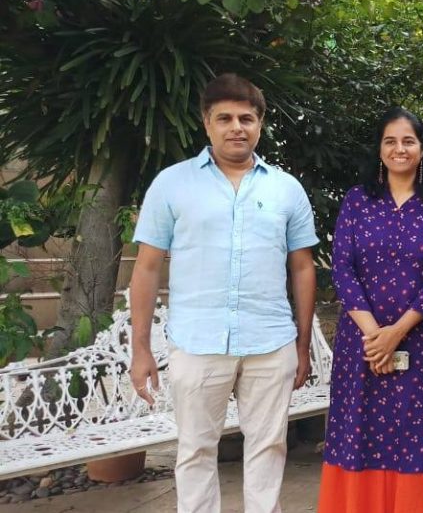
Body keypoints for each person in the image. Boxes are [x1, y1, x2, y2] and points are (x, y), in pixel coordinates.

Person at [128, 73, 319, 513]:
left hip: (270, 341)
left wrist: (303, 343)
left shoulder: (286, 189)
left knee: (268, 447)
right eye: (225, 118)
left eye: (246, 119)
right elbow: (147, 267)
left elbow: (302, 267)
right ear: (207, 122)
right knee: (195, 450)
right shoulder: (172, 184)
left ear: (260, 124)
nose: (237, 127)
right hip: (197, 341)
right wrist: (141, 349)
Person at [318, 108, 423, 513]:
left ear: (422, 149)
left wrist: (397, 332)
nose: (400, 149)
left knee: (412, 433)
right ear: (379, 149)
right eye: (390, 141)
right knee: (358, 430)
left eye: (408, 141)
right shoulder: (357, 201)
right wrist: (374, 335)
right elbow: (342, 268)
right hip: (360, 344)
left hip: (420, 340)